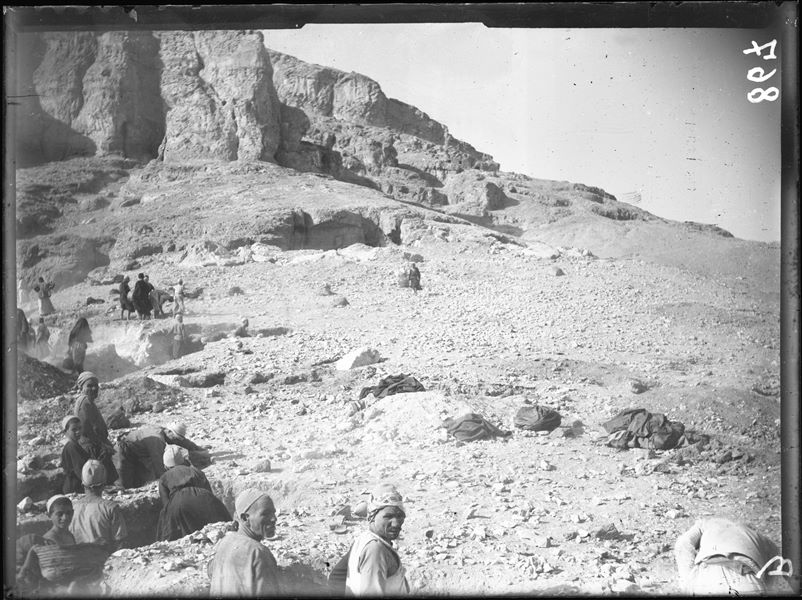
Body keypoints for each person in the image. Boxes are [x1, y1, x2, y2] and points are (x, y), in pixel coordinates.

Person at [674, 517, 793, 595]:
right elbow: (774, 580)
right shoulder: (764, 540)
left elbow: (682, 545)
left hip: (710, 574)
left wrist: (688, 582)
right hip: (749, 580)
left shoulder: (706, 524)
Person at [208, 489, 280, 596]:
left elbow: (210, 570)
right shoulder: (258, 553)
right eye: (265, 514)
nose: (274, 519)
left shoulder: (225, 541)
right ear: (245, 518)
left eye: (273, 513)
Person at [344, 483, 410, 595]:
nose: (396, 523)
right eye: (388, 516)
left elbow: (335, 576)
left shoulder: (363, 539)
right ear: (372, 516)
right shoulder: (375, 550)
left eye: (400, 516)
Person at [155, 445, 230, 541]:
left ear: (165, 466)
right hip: (203, 496)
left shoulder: (164, 478)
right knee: (222, 525)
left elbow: (167, 505)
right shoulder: (196, 471)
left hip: (179, 501)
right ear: (183, 461)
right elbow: (209, 493)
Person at [114, 422, 202, 489]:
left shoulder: (163, 431)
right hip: (122, 453)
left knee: (141, 479)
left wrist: (197, 448)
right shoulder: (157, 440)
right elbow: (159, 467)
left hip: (137, 453)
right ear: (169, 431)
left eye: (178, 439)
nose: (176, 441)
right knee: (124, 486)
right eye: (175, 438)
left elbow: (182, 441)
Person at [70, 460, 128, 552]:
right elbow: (120, 543)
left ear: (82, 483)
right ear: (104, 484)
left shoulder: (72, 508)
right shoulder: (111, 508)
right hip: (102, 558)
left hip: (78, 558)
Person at [73, 371, 118, 485]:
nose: (94, 388)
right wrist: (103, 446)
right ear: (81, 387)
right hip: (92, 447)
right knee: (99, 477)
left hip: (95, 445)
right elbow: (87, 429)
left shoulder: (88, 401)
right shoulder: (84, 402)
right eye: (89, 386)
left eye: (95, 385)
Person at [61, 415, 90, 494]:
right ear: (66, 431)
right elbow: (79, 470)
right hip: (75, 489)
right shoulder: (72, 447)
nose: (78, 431)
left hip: (75, 486)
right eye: (74, 429)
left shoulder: (75, 445)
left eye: (80, 428)